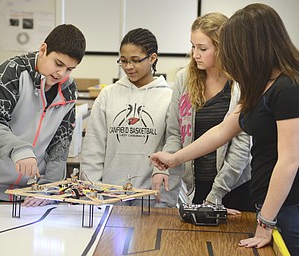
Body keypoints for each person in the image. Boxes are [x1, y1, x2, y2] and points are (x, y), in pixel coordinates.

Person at [150, 3, 299, 254]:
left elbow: (289, 162)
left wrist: (265, 222)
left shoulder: (287, 88)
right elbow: (223, 130)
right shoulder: (260, 84)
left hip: (287, 209)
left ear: (254, 46)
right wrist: (174, 158)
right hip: (269, 205)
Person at [152, 12, 253, 212]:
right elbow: (175, 133)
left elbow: (241, 148)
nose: (195, 54)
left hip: (235, 187)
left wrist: (216, 196)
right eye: (193, 46)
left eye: (203, 48)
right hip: (197, 187)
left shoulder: (241, 83)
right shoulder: (184, 79)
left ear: (222, 48)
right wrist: (163, 166)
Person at [0, 24, 86, 207]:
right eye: (58, 63)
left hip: (31, 192)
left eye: (69, 69)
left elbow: (60, 143)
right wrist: (19, 150)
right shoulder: (10, 74)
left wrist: (50, 187)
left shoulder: (68, 90)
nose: (61, 73)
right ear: (43, 49)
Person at [80, 28, 181, 207]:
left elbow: (173, 147)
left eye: (135, 60)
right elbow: (93, 148)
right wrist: (91, 194)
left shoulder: (168, 97)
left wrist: (166, 199)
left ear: (152, 58)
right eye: (124, 61)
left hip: (151, 196)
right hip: (110, 195)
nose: (128, 67)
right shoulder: (107, 95)